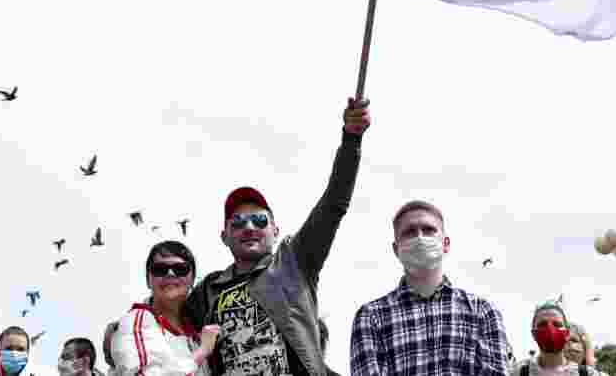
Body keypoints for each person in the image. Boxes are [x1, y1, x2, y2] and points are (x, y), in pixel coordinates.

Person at [106, 97, 370, 376]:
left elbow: (333, 204)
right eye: (238, 222)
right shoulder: (208, 290)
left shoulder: (295, 263)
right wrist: (116, 332)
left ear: (275, 230)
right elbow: (167, 307)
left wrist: (351, 140)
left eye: (259, 220)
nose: (249, 227)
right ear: (224, 236)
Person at [349, 200, 510, 376]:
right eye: (409, 232)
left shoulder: (483, 312)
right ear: (396, 249)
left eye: (428, 229)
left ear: (446, 243)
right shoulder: (371, 317)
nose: (420, 237)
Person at [111, 241, 219, 376]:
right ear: (148, 280)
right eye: (160, 269)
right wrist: (202, 352)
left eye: (181, 269)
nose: (170, 274)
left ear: (192, 279)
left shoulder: (197, 332)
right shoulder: (135, 322)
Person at [511, 302, 606, 376]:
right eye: (542, 324)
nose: (550, 329)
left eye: (557, 324)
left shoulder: (587, 374)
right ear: (533, 334)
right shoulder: (517, 373)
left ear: (567, 333)